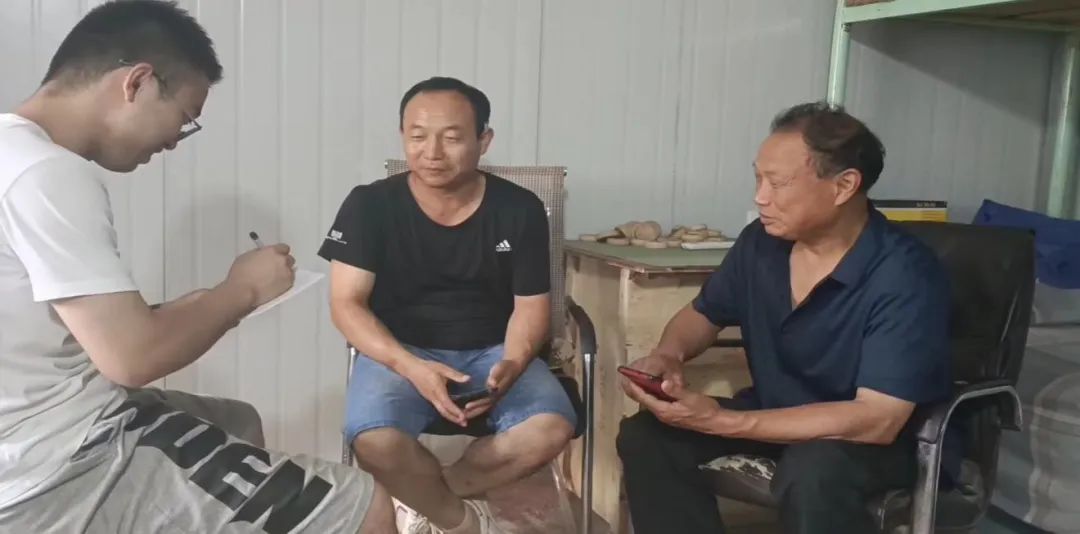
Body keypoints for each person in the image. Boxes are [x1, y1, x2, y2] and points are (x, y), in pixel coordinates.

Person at [0, 2, 391, 532]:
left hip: (32, 424)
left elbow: (51, 321)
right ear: (137, 83)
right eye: (184, 119)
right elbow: (133, 357)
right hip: (57, 463)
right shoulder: (46, 173)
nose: (173, 141)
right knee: (364, 506)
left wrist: (196, 305)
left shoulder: (11, 152)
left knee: (238, 421)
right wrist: (242, 291)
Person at [616, 102, 952, 534]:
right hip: (777, 415)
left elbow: (878, 419)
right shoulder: (761, 243)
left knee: (813, 471)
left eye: (777, 183)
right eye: (758, 178)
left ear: (844, 185)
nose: (760, 196)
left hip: (874, 442)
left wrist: (725, 421)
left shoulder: (904, 274)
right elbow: (702, 314)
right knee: (647, 437)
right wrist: (669, 354)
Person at [319, 76, 577, 534]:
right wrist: (411, 366)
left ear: (484, 141)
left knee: (551, 428)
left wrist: (514, 362)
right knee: (375, 441)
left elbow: (530, 308)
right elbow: (346, 304)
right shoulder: (369, 205)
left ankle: (433, 498)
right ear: (402, 135)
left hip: (495, 350)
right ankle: (464, 523)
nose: (432, 152)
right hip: (400, 352)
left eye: (452, 138)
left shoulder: (520, 209)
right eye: (418, 136)